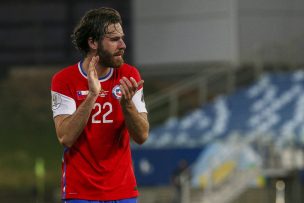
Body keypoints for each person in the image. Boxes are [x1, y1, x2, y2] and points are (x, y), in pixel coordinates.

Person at [51, 7, 149, 203]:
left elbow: (142, 136)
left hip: (123, 192)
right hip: (80, 193)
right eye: (114, 39)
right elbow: (65, 137)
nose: (122, 45)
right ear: (93, 42)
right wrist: (92, 96)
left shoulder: (129, 76)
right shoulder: (64, 80)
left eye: (122, 38)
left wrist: (127, 105)